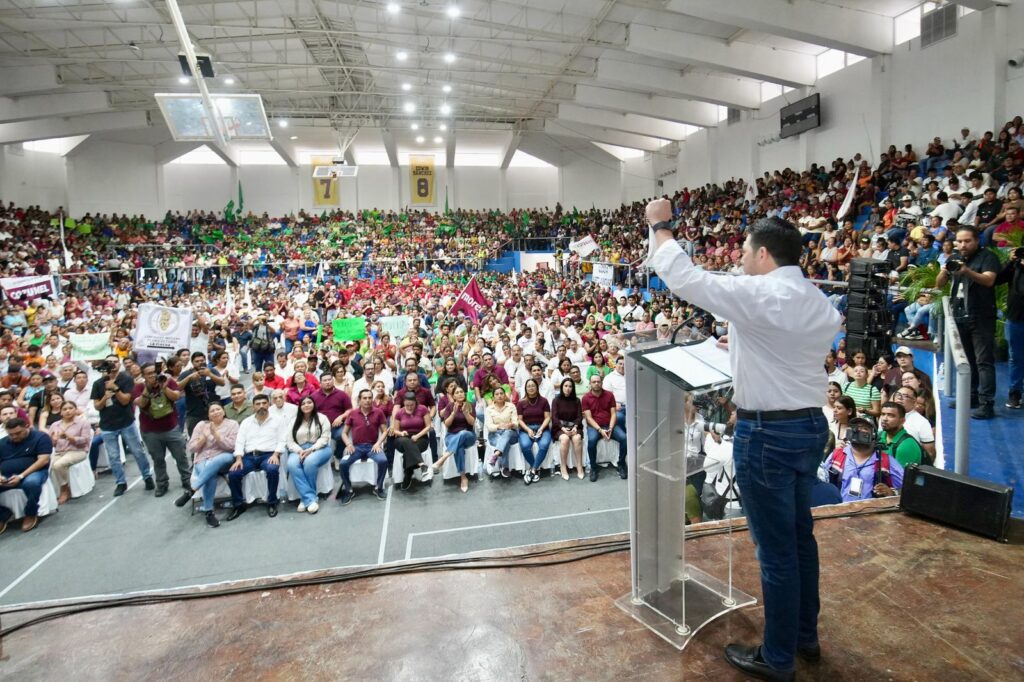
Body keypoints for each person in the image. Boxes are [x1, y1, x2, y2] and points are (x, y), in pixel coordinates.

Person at [648, 202, 842, 680]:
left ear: (762, 257)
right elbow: (787, 349)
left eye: (744, 254)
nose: (739, 262)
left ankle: (777, 659)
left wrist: (660, 224)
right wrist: (743, 344)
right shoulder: (820, 303)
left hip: (768, 435)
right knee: (799, 540)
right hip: (808, 429)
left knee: (774, 551)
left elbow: (683, 277)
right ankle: (804, 637)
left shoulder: (761, 294)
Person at [936, 227, 1000, 419]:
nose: (962, 245)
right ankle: (970, 396)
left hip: (981, 316)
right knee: (968, 360)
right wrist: (944, 270)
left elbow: (989, 280)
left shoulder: (988, 257)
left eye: (967, 241)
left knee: (983, 361)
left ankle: (986, 403)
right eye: (959, 241)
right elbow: (940, 284)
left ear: (977, 240)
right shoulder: (954, 257)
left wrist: (967, 271)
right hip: (960, 315)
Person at [91, 359, 154, 497]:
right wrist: (104, 398)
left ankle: (147, 476)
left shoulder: (126, 379)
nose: (111, 367)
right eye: (108, 364)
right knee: (114, 457)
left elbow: (126, 400)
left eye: (114, 363)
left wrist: (115, 388)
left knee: (138, 451)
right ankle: (120, 482)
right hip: (107, 425)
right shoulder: (97, 384)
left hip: (126, 422)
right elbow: (97, 406)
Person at [133, 362, 191, 500]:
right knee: (158, 459)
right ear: (143, 375)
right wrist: (148, 388)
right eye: (149, 373)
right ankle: (162, 484)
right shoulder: (139, 386)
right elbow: (140, 403)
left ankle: (187, 479)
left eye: (154, 372)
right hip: (150, 430)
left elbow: (176, 397)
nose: (152, 375)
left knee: (180, 456)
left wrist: (164, 387)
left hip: (171, 427)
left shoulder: (167, 381)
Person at [226, 393, 286, 520]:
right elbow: (240, 442)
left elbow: (282, 440)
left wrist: (276, 454)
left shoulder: (278, 420)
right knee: (233, 473)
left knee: (272, 469)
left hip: (269, 455)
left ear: (269, 404)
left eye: (264, 403)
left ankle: (272, 502)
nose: (261, 406)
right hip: (248, 457)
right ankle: (238, 505)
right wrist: (238, 458)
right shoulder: (246, 422)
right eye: (258, 404)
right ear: (253, 407)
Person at [820, 417, 903, 503]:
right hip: (838, 511)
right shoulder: (836, 455)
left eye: (864, 428)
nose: (858, 431)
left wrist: (892, 492)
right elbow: (821, 482)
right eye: (855, 427)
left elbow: (907, 488)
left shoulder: (885, 460)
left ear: (874, 435)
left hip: (870, 513)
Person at [185, 403, 239, 528]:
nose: (215, 412)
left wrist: (216, 435)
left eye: (218, 409)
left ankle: (192, 489)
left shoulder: (232, 424)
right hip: (202, 458)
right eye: (212, 411)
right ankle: (209, 512)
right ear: (208, 415)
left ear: (223, 411)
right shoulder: (201, 425)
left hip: (224, 457)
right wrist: (203, 437)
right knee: (210, 475)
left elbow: (232, 446)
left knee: (218, 461)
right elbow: (192, 448)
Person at [0, 417, 52, 532]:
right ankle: (3, 514)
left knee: (31, 483)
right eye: (11, 434)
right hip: (6, 476)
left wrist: (21, 476)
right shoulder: (2, 443)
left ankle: (30, 513)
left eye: (18, 433)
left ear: (27, 427)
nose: (14, 437)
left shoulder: (41, 437)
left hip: (34, 472)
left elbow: (43, 460)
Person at [338, 389, 389, 504]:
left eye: (370, 398)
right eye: (364, 398)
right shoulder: (352, 413)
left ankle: (378, 487)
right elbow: (344, 433)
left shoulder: (378, 412)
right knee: (343, 463)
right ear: (359, 400)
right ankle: (349, 489)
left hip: (372, 446)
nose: (367, 400)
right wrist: (348, 444)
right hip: (357, 447)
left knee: (383, 461)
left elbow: (385, 431)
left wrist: (378, 443)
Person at [285, 396, 333, 514]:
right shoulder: (294, 420)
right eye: (303, 403)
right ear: (300, 407)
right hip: (299, 450)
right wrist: (300, 451)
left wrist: (311, 449)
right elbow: (290, 441)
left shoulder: (322, 418)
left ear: (313, 404)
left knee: (309, 462)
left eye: (309, 402)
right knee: (291, 464)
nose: (306, 405)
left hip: (319, 448)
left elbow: (325, 438)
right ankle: (309, 499)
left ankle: (305, 499)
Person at [581, 374, 626, 482]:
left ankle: (621, 464)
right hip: (594, 426)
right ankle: (593, 467)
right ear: (590, 384)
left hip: (609, 424)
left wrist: (610, 428)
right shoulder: (585, 398)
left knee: (624, 438)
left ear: (601, 383)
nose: (596, 383)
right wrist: (600, 430)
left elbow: (613, 414)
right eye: (594, 382)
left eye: (598, 381)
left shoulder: (609, 395)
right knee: (591, 441)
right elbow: (589, 418)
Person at [433, 385, 476, 493]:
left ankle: (444, 457)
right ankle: (463, 477)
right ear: (453, 396)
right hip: (451, 436)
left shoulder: (470, 405)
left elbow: (472, 423)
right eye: (457, 393)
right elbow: (447, 424)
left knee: (462, 433)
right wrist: (453, 413)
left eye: (462, 392)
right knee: (459, 448)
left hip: (468, 435)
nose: (460, 394)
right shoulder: (450, 406)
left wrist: (465, 412)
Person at [995, 246, 1024, 409]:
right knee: (1016, 358)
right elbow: (997, 279)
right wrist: (1009, 262)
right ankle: (1015, 392)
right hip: (1016, 319)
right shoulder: (1014, 267)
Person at [47, 401, 91, 504]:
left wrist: (69, 437)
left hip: (77, 451)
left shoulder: (83, 422)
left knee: (58, 465)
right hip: (59, 452)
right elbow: (50, 443)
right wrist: (53, 439)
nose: (68, 411)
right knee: (49, 465)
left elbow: (85, 440)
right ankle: (53, 492)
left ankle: (64, 489)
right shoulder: (55, 425)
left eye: (71, 408)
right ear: (61, 412)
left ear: (76, 410)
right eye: (65, 409)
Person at [392, 391, 432, 490]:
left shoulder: (423, 409)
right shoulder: (400, 412)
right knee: (406, 442)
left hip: (420, 437)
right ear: (403, 403)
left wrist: (418, 435)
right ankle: (421, 464)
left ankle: (408, 474)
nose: (409, 407)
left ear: (415, 402)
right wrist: (401, 433)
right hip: (403, 438)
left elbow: (429, 426)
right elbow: (395, 430)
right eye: (407, 405)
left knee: (408, 452)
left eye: (412, 405)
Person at [178, 352, 224, 436]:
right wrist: (189, 378)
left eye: (202, 360)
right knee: (195, 439)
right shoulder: (186, 374)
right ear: (192, 362)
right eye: (197, 361)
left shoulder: (211, 370)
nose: (200, 362)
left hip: (213, 410)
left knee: (216, 436)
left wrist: (209, 374)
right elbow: (177, 388)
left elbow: (222, 382)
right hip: (194, 412)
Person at [516, 378, 551, 485]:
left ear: (537, 387)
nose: (531, 388)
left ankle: (532, 470)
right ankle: (535, 470)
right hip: (526, 428)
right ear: (525, 389)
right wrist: (528, 430)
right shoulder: (521, 403)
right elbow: (519, 420)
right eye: (528, 386)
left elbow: (547, 418)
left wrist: (541, 429)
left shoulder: (544, 401)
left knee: (544, 445)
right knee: (525, 446)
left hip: (542, 427)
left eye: (533, 386)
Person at [551, 377, 585, 480]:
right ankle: (563, 466)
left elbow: (579, 417)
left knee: (577, 438)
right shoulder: (556, 400)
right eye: (565, 386)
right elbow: (554, 417)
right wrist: (563, 429)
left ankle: (579, 466)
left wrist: (575, 427)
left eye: (570, 386)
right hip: (559, 427)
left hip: (574, 426)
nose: (568, 388)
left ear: (573, 388)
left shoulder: (577, 400)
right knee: (565, 439)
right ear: (562, 387)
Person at [877, 402, 924, 468]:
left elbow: (900, 477)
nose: (885, 419)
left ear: (902, 421)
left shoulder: (907, 445)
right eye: (883, 414)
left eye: (891, 415)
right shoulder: (879, 435)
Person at [485, 386, 518, 478]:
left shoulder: (511, 406)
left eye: (501, 393)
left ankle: (494, 456)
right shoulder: (489, 409)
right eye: (497, 394)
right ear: (493, 397)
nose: (499, 396)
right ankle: (504, 467)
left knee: (507, 434)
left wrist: (511, 424)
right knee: (504, 442)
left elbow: (516, 423)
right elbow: (489, 426)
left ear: (505, 395)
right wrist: (499, 426)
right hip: (495, 434)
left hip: (511, 433)